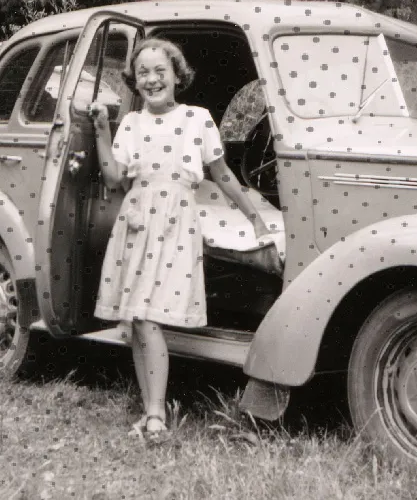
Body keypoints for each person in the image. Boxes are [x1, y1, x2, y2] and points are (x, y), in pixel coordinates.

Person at [87, 38, 276, 441]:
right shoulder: (133, 124)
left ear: (177, 75)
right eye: (143, 73)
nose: (152, 79)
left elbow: (222, 175)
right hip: (136, 221)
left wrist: (254, 216)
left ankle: (156, 415)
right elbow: (113, 178)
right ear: (134, 82)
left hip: (175, 223)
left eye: (160, 71)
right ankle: (151, 408)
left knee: (150, 317)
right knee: (137, 319)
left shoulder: (198, 118)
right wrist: (103, 129)